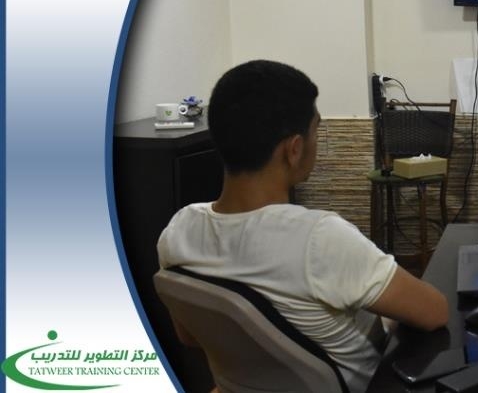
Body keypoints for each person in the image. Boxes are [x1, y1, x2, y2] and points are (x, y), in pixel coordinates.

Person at [157, 60, 448, 393]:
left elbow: (190, 336)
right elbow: (434, 312)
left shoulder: (177, 232)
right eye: (316, 130)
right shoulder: (320, 239)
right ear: (294, 149)